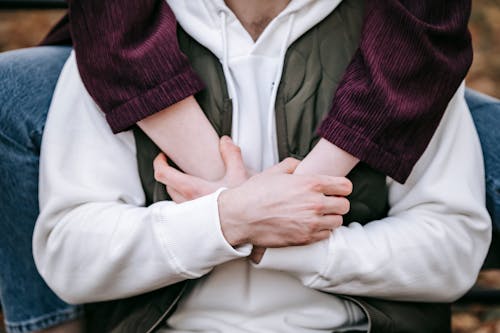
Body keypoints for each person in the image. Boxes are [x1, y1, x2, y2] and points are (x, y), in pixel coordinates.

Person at [0, 1, 480, 333]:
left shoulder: (404, 51)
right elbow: (70, 254)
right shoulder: (114, 51)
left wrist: (280, 244)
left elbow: (453, 248)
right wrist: (228, 220)